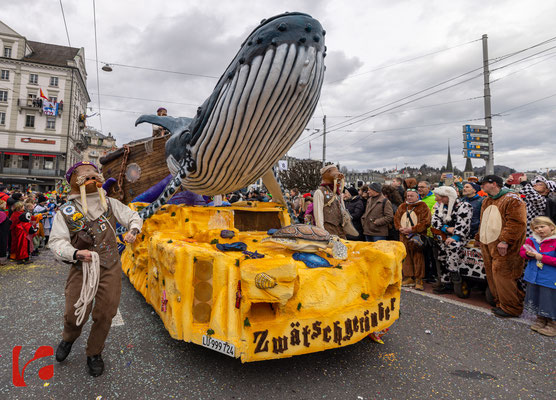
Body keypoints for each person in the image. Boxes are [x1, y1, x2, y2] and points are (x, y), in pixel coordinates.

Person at [50, 161, 143, 377]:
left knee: (105, 313)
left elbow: (132, 216)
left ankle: (94, 353)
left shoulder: (110, 203)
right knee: (74, 315)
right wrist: (74, 253)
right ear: (74, 181)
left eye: (94, 173)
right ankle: (68, 337)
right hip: (82, 268)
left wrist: (134, 229)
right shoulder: (66, 211)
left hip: (109, 266)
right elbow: (56, 242)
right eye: (85, 175)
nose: (91, 177)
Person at [476, 175, 527, 318]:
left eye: (484, 183)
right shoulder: (487, 200)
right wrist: (479, 237)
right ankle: (500, 302)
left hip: (504, 246)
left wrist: (505, 240)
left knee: (504, 275)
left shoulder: (512, 199)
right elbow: (483, 221)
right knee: (493, 275)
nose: (481, 186)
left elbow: (517, 223)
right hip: (488, 243)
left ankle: (512, 307)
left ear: (494, 184)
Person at [431, 186, 473, 294]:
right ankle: (446, 283)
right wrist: (446, 228)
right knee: (442, 258)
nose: (436, 200)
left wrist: (455, 237)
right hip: (444, 237)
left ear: (448, 197)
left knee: (452, 247)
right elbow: (434, 221)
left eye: (439, 197)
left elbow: (464, 223)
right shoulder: (440, 207)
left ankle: (455, 275)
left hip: (460, 238)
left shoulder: (464, 206)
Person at [519, 216, 556, 336]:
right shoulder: (532, 240)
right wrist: (528, 254)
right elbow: (522, 251)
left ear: (551, 227)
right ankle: (541, 319)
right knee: (537, 297)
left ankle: (552, 323)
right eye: (536, 228)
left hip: (549, 278)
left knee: (549, 299)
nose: (539, 230)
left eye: (542, 226)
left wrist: (543, 258)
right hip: (533, 276)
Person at [394, 188, 431, 290]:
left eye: (411, 196)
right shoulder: (402, 206)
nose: (409, 198)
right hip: (403, 236)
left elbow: (426, 222)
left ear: (417, 196)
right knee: (406, 258)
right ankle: (408, 277)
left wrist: (412, 229)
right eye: (407, 196)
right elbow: (396, 219)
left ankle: (419, 279)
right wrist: (400, 229)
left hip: (416, 237)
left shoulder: (422, 206)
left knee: (418, 257)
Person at [313, 164, 348, 238]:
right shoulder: (319, 192)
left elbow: (343, 209)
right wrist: (321, 232)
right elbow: (318, 214)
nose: (338, 173)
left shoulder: (337, 192)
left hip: (340, 229)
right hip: (328, 229)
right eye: (334, 171)